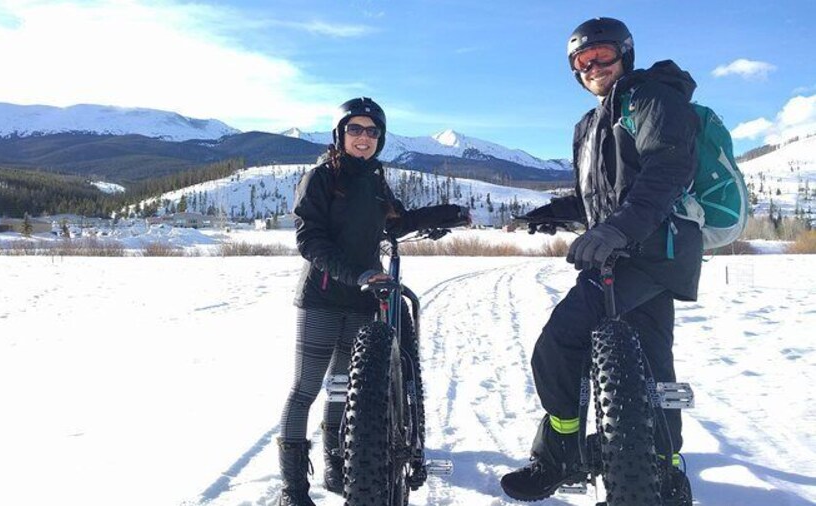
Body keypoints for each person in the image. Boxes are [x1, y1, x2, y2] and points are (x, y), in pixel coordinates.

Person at [500, 17, 698, 504]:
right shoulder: (590, 124)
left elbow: (667, 170)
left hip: (650, 252)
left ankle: (561, 450)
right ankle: (665, 469)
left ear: (624, 55)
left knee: (559, 343)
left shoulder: (651, 98)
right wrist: (551, 212)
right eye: (581, 62)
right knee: (654, 364)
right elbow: (599, 197)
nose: (592, 67)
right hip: (618, 254)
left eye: (602, 57)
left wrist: (616, 230)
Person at [277, 97, 470, 506]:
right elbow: (310, 241)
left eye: (371, 131)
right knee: (306, 389)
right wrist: (358, 274)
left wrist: (446, 214)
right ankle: (292, 491)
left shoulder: (375, 180)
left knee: (345, 388)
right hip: (324, 297)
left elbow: (397, 222)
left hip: (367, 298)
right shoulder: (320, 179)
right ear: (339, 134)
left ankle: (336, 467)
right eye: (355, 129)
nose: (363, 138)